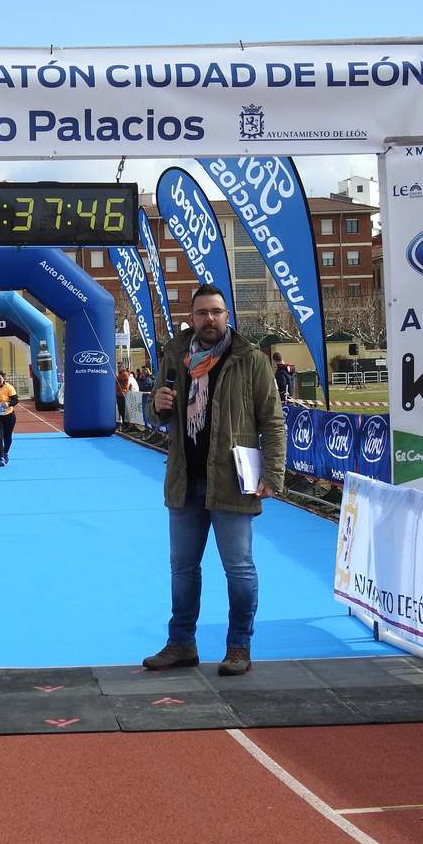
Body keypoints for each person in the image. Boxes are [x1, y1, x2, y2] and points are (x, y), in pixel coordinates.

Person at [143, 284, 286, 677]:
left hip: (232, 481)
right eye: (202, 312)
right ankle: (181, 643)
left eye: (217, 312)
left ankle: (239, 646)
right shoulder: (175, 356)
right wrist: (155, 404)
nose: (210, 319)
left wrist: (273, 473)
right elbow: (156, 411)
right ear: (191, 318)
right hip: (184, 480)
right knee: (182, 569)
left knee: (238, 568)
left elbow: (272, 420)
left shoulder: (250, 360)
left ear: (227, 316)